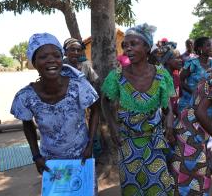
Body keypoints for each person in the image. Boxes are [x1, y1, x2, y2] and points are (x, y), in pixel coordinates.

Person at [10, 33, 99, 190]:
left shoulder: (78, 86)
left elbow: (95, 110)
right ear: (34, 62)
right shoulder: (25, 97)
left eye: (56, 55)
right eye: (43, 57)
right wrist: (36, 156)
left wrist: (90, 144)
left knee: (84, 191)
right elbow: (27, 124)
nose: (51, 60)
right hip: (50, 161)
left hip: (82, 156)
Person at [101, 23, 175, 195]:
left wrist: (169, 125)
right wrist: (113, 127)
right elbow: (105, 102)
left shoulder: (161, 74)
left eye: (133, 44)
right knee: (132, 187)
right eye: (125, 45)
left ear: (148, 47)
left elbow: (167, 105)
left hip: (154, 141)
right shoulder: (117, 76)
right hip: (128, 142)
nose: (128, 49)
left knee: (159, 186)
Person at [170, 73, 212, 195]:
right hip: (195, 132)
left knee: (181, 171)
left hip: (185, 125)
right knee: (195, 174)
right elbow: (201, 113)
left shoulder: (211, 73)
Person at [178, 37, 212, 112]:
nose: (211, 48)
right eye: (208, 45)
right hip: (190, 103)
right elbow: (181, 80)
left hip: (207, 105)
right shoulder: (192, 63)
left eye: (211, 45)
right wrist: (193, 92)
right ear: (200, 48)